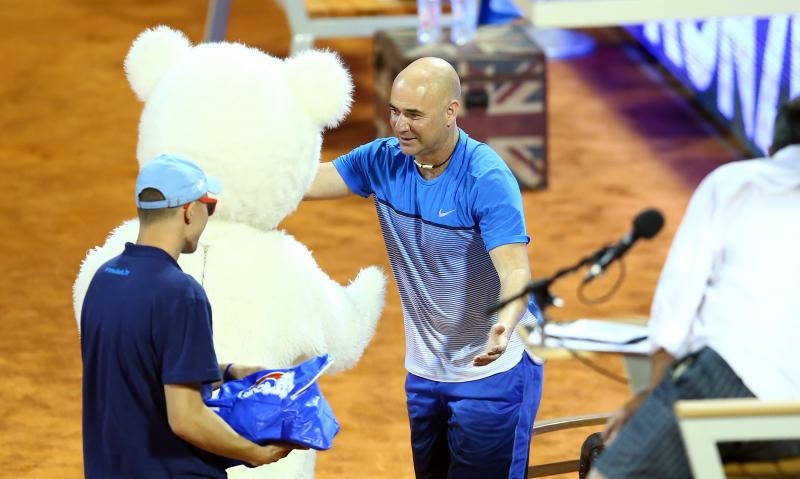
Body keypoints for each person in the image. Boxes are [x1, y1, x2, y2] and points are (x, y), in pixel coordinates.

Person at [306, 57, 543, 478]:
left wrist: (505, 325)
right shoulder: (383, 160)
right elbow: (303, 182)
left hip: (492, 373)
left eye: (414, 115)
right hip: (424, 372)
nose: (399, 125)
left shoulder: (485, 176)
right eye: (394, 111)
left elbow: (515, 272)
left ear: (452, 111)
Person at [588, 97, 800, 479]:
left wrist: (652, 399)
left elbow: (675, 309)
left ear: (771, 149)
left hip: (730, 382)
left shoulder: (734, 183)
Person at [80, 154, 296, 478]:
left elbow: (138, 368)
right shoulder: (180, 293)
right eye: (208, 207)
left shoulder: (104, 279)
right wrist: (255, 452)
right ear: (189, 211)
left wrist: (228, 371)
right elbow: (187, 418)